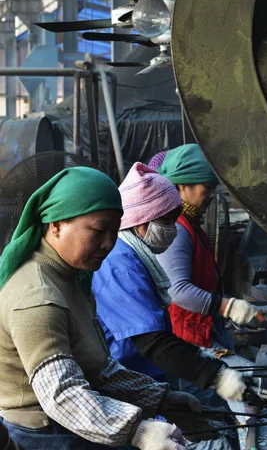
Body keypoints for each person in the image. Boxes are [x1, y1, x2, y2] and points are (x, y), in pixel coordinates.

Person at [0, 166, 201, 450]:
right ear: (55, 225)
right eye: (97, 230)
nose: (108, 244)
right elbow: (63, 395)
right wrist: (138, 431)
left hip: (71, 423)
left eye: (114, 231)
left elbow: (98, 368)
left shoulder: (71, 278)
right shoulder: (39, 296)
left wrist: (159, 398)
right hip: (46, 435)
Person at [92, 162, 247, 404]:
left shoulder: (136, 256)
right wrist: (215, 376)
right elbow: (151, 342)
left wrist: (197, 355)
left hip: (144, 373)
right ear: (144, 221)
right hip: (126, 379)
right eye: (168, 221)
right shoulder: (121, 265)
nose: (173, 230)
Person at [151, 144, 260, 350]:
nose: (212, 196)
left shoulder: (190, 223)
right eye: (207, 189)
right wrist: (227, 306)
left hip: (202, 330)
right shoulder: (177, 230)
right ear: (182, 185)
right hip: (187, 339)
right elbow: (179, 291)